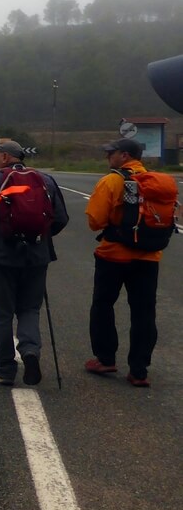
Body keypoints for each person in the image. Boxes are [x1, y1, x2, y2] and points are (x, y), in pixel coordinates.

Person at [0, 140, 70, 386]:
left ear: (5, 156)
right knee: (30, 309)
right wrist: (37, 237)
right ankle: (30, 353)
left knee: (2, 314)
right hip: (37, 258)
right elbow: (61, 218)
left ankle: (5, 370)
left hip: (1, 258)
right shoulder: (46, 181)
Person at [84, 138, 169, 387]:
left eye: (110, 153)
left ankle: (105, 358)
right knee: (144, 312)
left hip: (113, 255)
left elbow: (94, 221)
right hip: (149, 257)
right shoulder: (156, 181)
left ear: (124, 155)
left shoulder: (112, 180)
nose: (107, 157)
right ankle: (139, 370)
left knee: (103, 305)